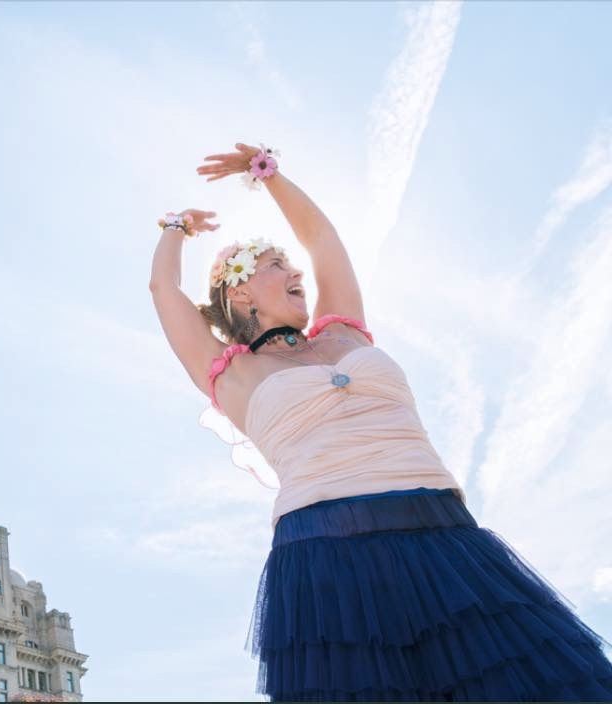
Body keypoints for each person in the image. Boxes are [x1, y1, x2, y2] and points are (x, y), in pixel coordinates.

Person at [148, 142, 612, 701]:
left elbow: (322, 241)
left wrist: (266, 174)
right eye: (277, 266)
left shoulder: (344, 330)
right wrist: (177, 226)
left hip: (443, 535)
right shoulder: (230, 373)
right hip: (328, 555)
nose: (295, 271)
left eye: (290, 264)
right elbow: (164, 291)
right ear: (241, 290)